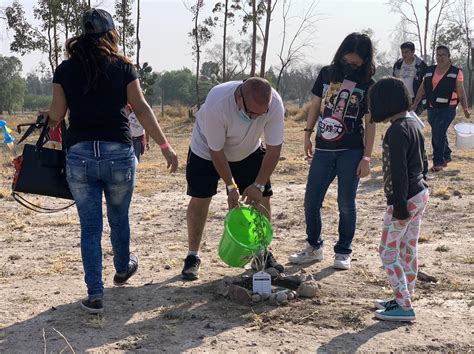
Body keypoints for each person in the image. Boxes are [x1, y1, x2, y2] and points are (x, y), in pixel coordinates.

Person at [46, 8, 178, 314]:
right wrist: (165, 145)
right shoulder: (123, 67)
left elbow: (56, 114)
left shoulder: (65, 70)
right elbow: (142, 109)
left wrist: (47, 114)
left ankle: (95, 295)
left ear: (82, 36)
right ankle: (121, 268)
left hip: (79, 156)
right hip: (119, 154)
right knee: (119, 217)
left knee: (90, 228)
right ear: (110, 34)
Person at [182, 77, 285, 280]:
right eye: (251, 113)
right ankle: (192, 256)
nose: (256, 118)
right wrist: (231, 187)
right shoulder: (217, 102)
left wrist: (258, 184)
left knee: (262, 197)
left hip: (248, 150)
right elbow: (216, 151)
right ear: (239, 97)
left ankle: (261, 253)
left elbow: (274, 150)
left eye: (261, 114)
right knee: (201, 198)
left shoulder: (274, 104)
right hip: (206, 150)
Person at [288, 32, 376, 270]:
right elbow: (315, 105)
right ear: (341, 54)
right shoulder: (327, 73)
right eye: (348, 61)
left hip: (352, 150)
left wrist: (366, 157)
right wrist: (307, 133)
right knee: (311, 200)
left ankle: (343, 250)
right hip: (323, 149)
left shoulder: (368, 83)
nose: (351, 65)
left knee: (346, 203)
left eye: (357, 63)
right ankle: (314, 247)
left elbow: (370, 123)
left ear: (366, 60)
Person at [368, 77, 429, 321]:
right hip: (420, 193)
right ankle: (404, 296)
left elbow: (398, 171)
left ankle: (404, 306)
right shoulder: (414, 124)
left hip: (404, 199)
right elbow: (423, 162)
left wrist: (399, 204)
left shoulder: (395, 131)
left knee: (386, 251)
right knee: (407, 248)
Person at [412, 45, 471, 172]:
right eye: (438, 55)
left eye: (443, 55)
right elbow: (422, 88)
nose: (440, 57)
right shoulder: (429, 70)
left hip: (448, 108)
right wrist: (415, 103)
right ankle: (447, 154)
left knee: (437, 132)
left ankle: (438, 162)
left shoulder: (456, 72)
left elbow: (461, 91)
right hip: (432, 107)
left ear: (449, 57)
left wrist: (465, 108)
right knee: (439, 131)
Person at [392, 41, 428, 112]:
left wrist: (418, 102)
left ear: (413, 52)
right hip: (401, 98)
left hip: (415, 99)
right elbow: (393, 79)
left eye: (406, 52)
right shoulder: (398, 64)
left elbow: (426, 83)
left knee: (413, 120)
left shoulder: (421, 65)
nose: (404, 54)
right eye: (402, 52)